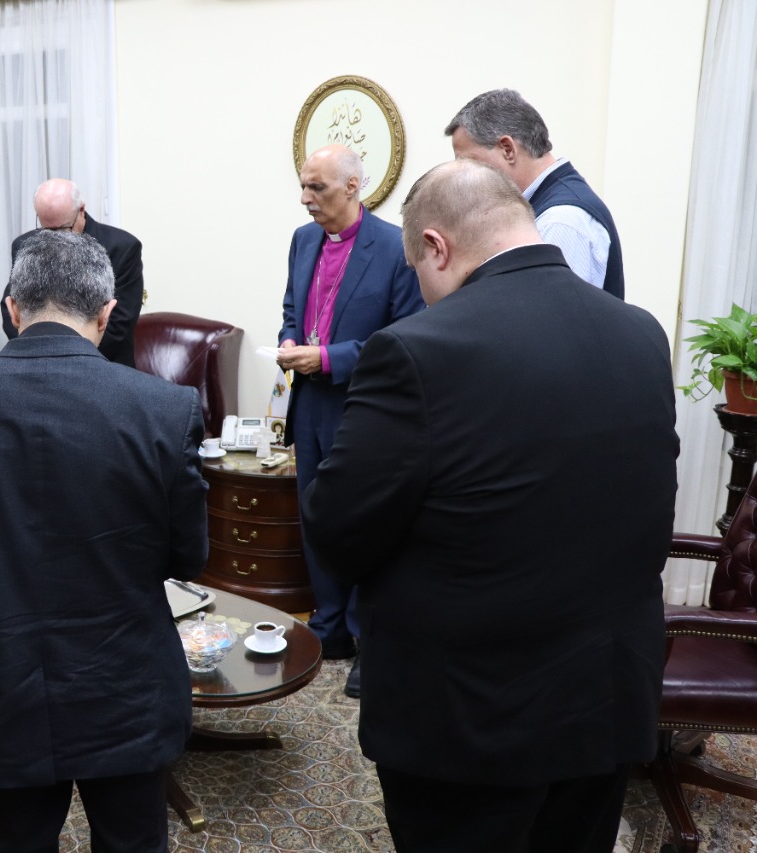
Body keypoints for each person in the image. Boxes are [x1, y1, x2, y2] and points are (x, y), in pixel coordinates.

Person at [301, 160, 677, 852]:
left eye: (417, 271)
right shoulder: (641, 333)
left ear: (436, 246)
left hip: (470, 719)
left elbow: (337, 528)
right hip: (604, 699)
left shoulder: (415, 351)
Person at [0, 229, 209, 852]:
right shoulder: (164, 409)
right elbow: (187, 556)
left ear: (12, 309)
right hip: (124, 682)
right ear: (106, 313)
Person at [275, 144, 424, 696]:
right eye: (303, 185)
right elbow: (292, 308)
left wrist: (329, 358)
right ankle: (330, 625)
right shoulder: (302, 239)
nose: (305, 198)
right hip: (310, 403)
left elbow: (405, 338)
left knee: (364, 522)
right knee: (315, 515)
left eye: (317, 187)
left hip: (364, 405)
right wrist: (289, 340)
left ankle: (368, 639)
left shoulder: (395, 245)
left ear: (353, 187)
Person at [445, 88, 625, 298]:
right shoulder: (544, 210)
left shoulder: (561, 221)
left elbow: (548, 311)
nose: (465, 175)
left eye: (469, 162)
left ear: (508, 149)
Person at [0, 178, 144, 366]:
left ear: (81, 210)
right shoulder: (24, 245)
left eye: (63, 228)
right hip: (37, 363)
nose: (55, 237)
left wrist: (62, 355)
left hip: (103, 366)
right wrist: (39, 352)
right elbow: (12, 308)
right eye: (47, 229)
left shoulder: (122, 247)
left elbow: (119, 325)